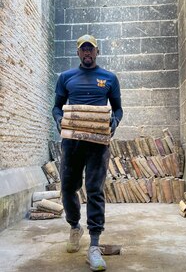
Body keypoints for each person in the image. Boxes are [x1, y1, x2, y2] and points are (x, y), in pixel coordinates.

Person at [52, 34, 123, 271]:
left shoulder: (109, 78)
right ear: (78, 53)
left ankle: (94, 244)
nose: (87, 53)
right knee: (68, 188)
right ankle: (74, 226)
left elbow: (119, 109)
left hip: (98, 143)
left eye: (90, 49)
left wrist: (114, 122)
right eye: (83, 49)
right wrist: (60, 119)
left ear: (97, 52)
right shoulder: (66, 78)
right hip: (72, 143)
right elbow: (56, 106)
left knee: (94, 190)